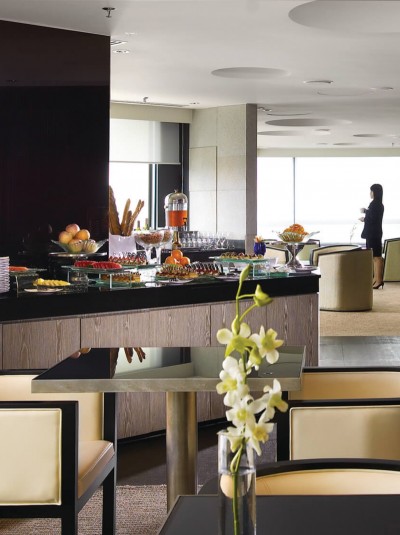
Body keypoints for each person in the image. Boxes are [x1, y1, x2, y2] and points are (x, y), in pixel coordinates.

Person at [360, 183, 384, 289]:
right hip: (374, 233)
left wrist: (364, 218)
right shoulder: (377, 204)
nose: (370, 193)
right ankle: (376, 279)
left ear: (375, 192)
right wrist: (365, 211)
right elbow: (372, 215)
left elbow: (373, 218)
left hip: (373, 234)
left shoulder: (375, 204)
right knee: (375, 257)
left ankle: (379, 280)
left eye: (371, 191)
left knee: (377, 257)